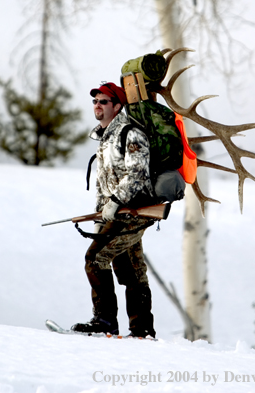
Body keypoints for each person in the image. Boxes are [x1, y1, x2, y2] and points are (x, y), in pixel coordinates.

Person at [71, 82, 156, 338]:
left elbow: (138, 173)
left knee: (95, 259)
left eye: (103, 101)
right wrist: (100, 216)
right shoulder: (105, 139)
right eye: (95, 101)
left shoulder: (130, 133)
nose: (97, 105)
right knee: (132, 271)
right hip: (117, 213)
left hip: (134, 212)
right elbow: (103, 184)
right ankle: (141, 330)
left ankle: (105, 321)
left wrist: (115, 201)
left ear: (117, 106)